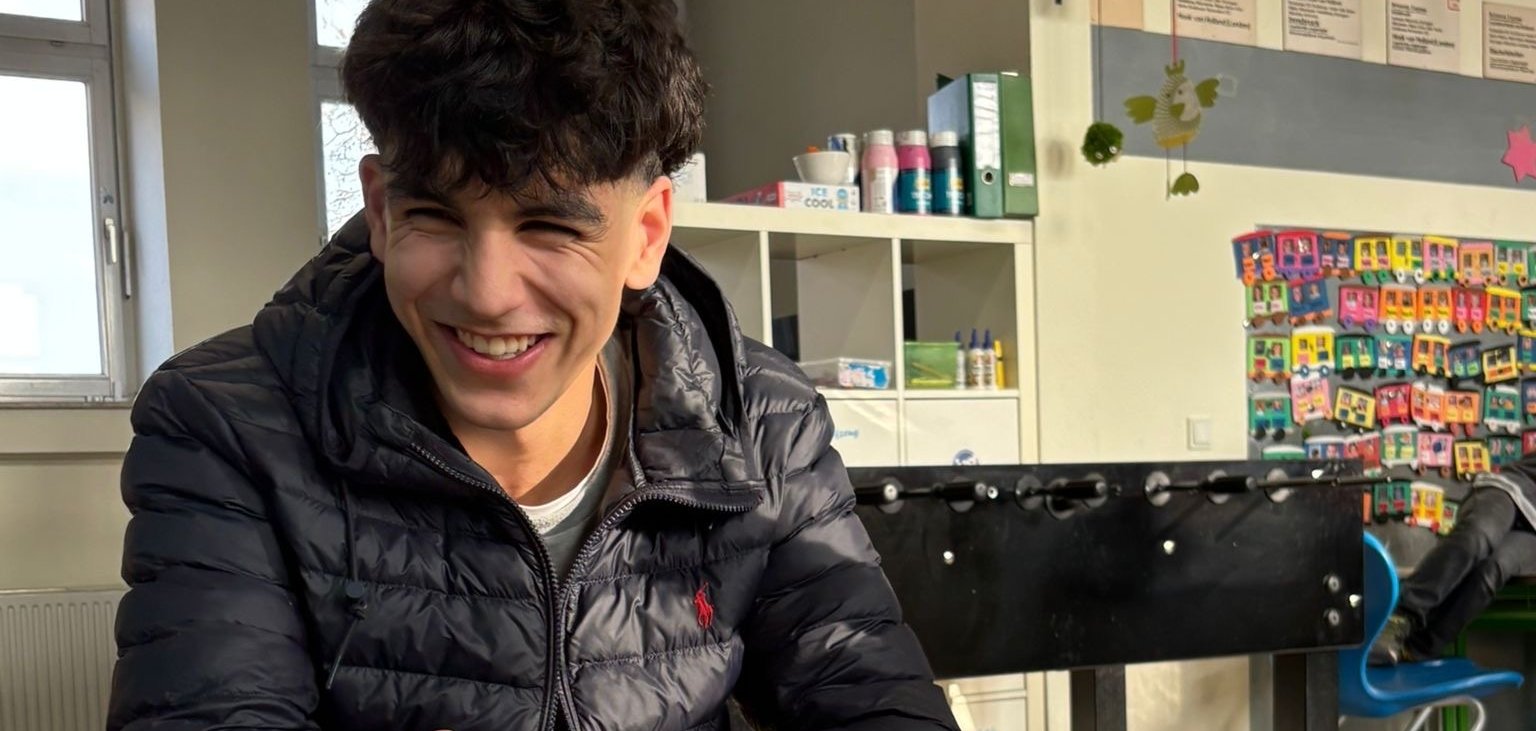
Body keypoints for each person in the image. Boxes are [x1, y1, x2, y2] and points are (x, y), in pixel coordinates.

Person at [106, 2, 958, 729]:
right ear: (380, 210)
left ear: (647, 235)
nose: (486, 294)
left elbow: (869, 690)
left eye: (550, 227)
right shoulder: (227, 426)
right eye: (435, 215)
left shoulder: (761, 421)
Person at [1370, 471, 1536, 666]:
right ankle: (1399, 616)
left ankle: (1417, 649)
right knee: (1477, 537)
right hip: (1513, 490)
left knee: (1492, 570)